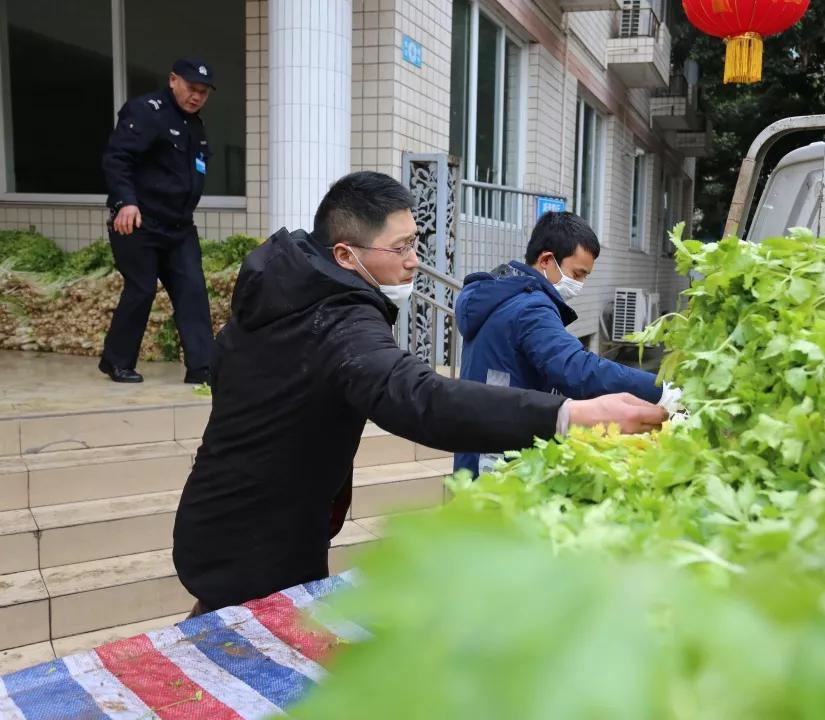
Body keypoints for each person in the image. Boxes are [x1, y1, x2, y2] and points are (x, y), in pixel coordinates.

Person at [172, 171, 667, 613]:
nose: (414, 262)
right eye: (401, 248)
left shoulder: (289, 290)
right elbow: (419, 396)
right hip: (255, 536)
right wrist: (568, 416)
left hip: (238, 518)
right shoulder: (337, 320)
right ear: (345, 254)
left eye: (416, 244)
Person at [453, 211, 681, 476]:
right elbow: (575, 368)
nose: (580, 284)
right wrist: (659, 390)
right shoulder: (529, 307)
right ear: (546, 260)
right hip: (498, 446)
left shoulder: (505, 294)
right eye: (577, 274)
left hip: (486, 433)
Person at [99, 58, 217, 384]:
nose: (197, 96)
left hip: (179, 226)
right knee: (141, 289)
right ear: (173, 80)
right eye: (192, 88)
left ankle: (202, 367)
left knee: (192, 289)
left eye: (203, 92)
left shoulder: (195, 124)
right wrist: (126, 202)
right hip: (138, 222)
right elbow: (117, 158)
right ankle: (117, 361)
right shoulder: (145, 111)